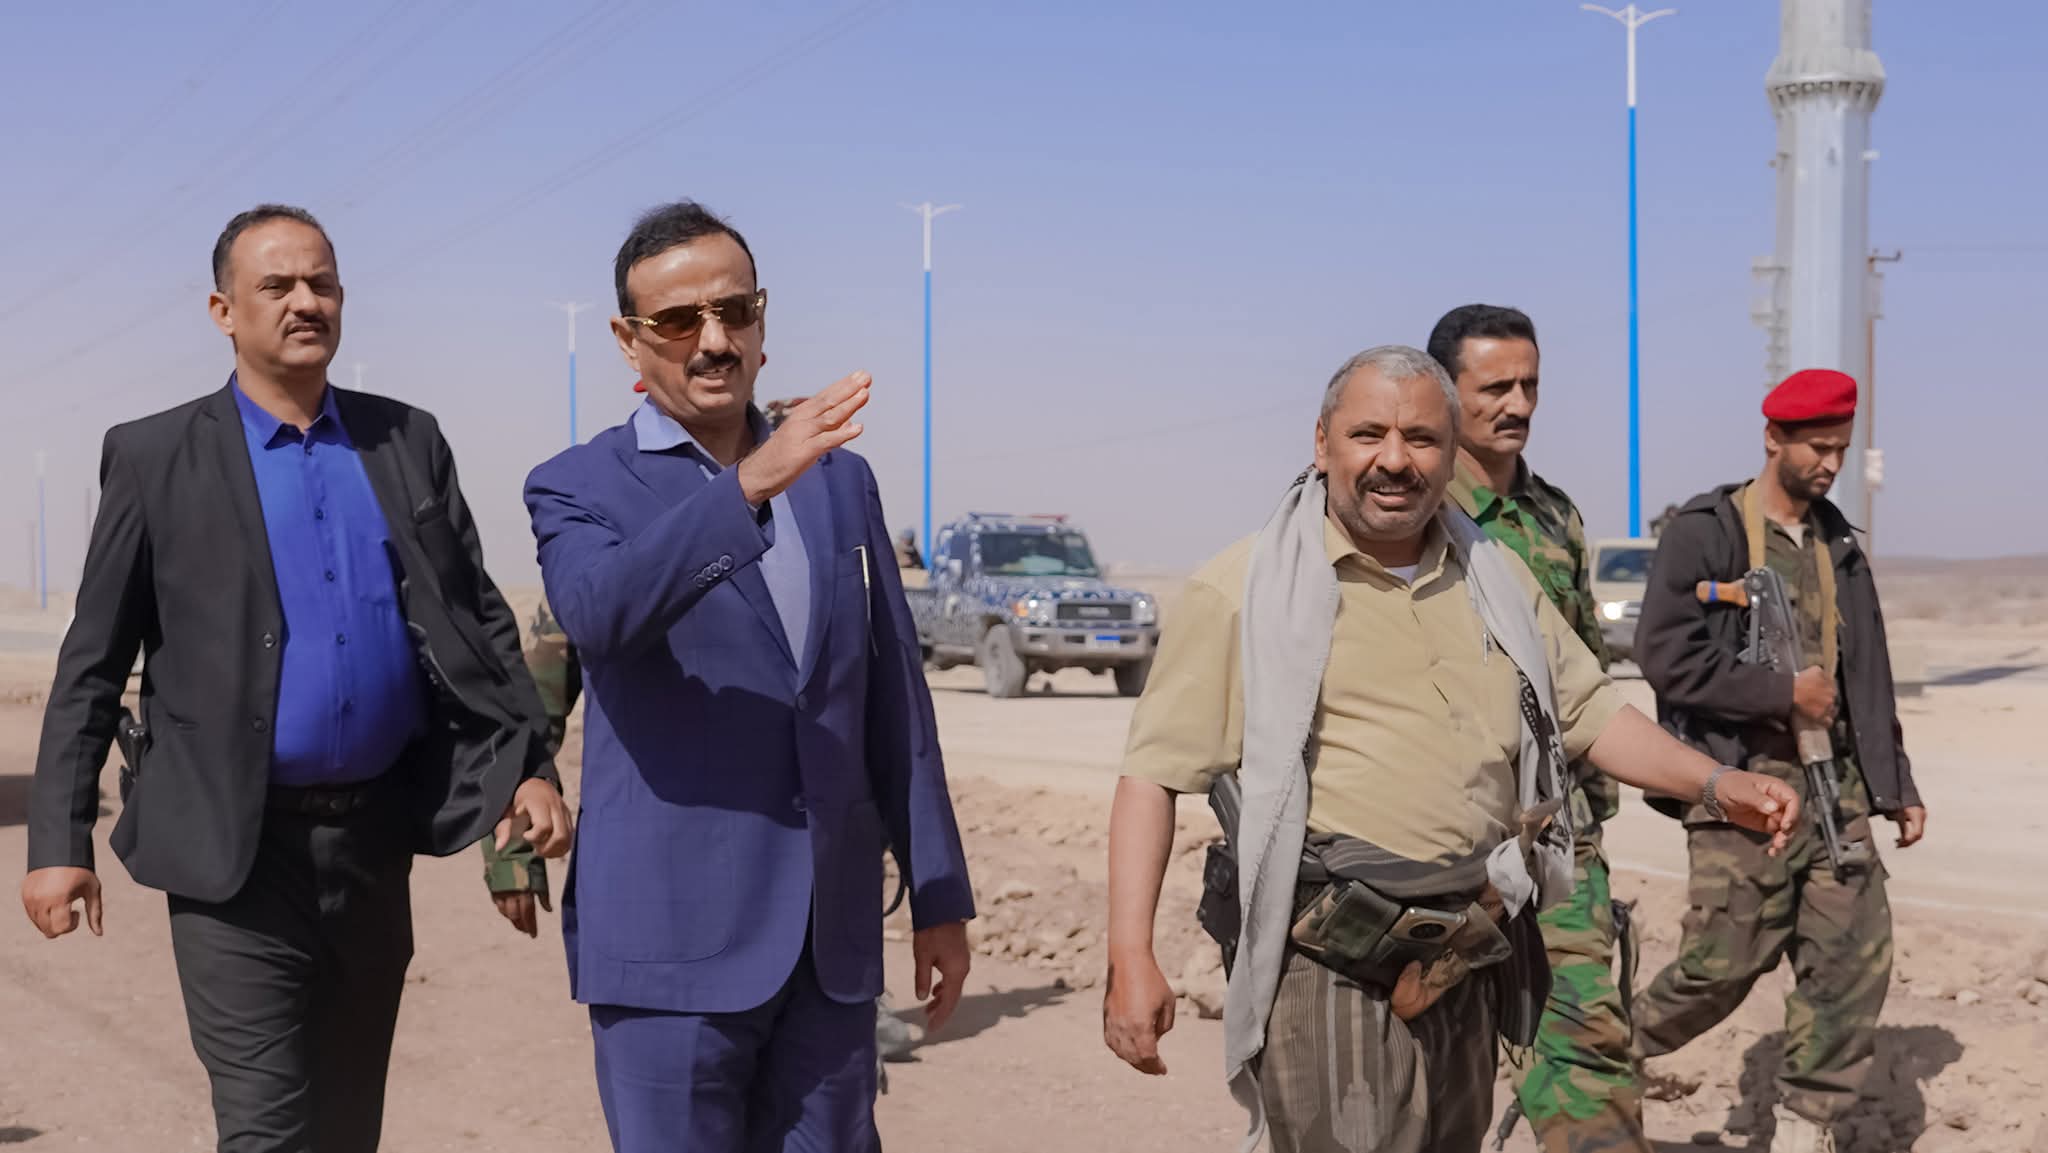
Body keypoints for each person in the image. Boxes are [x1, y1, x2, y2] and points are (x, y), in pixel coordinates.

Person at [1101, 345, 1800, 1153]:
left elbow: (1589, 711)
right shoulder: (1244, 589)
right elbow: (1153, 776)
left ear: (1450, 450)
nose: (1395, 460)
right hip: (1329, 957)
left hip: (1464, 948)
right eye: (1369, 434)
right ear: (1322, 443)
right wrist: (1129, 953)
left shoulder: (1493, 577)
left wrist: (1715, 782)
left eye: (1422, 438)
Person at [20, 204, 572, 1153]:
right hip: (234, 853)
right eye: (275, 285)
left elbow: (477, 624)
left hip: (373, 844)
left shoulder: (407, 442)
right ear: (223, 311)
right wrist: (57, 840)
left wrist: (527, 769)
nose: (304, 301)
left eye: (321, 282)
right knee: (267, 1130)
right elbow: (92, 661)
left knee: (348, 1128)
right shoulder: (155, 457)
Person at [523, 200, 975, 1152]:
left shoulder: (839, 480)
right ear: (628, 340)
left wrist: (938, 893)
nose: (715, 341)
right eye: (679, 321)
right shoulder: (577, 486)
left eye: (736, 311)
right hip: (670, 951)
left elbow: (893, 699)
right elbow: (602, 614)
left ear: (763, 320)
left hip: (828, 944)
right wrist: (752, 483)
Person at [1631, 368, 1924, 1153]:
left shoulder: (1838, 543)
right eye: (1817, 447)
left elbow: (1867, 671)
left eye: (1840, 448)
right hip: (1740, 785)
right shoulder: (1706, 531)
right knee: (1723, 962)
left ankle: (1806, 1125)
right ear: (1773, 438)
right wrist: (1780, 692)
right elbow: (1665, 654)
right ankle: (1594, 1060)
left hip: (1837, 787)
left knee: (1852, 958)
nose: (1830, 463)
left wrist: (1896, 783)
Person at [1430, 304, 1649, 1152]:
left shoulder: (1555, 516)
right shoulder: (1408, 505)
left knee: (1589, 1052)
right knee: (1425, 1073)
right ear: (1446, 391)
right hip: (1437, 841)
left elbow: (1585, 673)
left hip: (1554, 840)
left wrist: (1591, 824)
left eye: (1529, 385)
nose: (1517, 404)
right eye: (1495, 387)